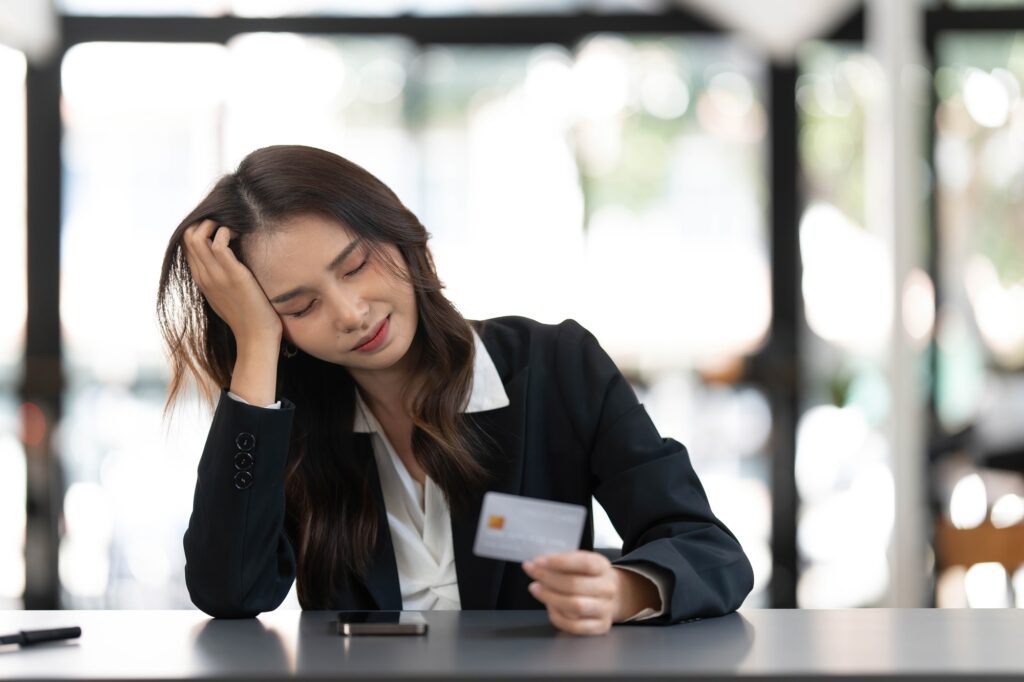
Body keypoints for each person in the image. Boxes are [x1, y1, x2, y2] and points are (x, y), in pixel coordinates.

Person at [157, 144, 753, 635]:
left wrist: (623, 589)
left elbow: (709, 550)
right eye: (301, 305)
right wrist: (256, 348)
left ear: (400, 238)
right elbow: (230, 591)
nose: (350, 313)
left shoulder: (557, 368)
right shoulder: (289, 423)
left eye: (356, 265)